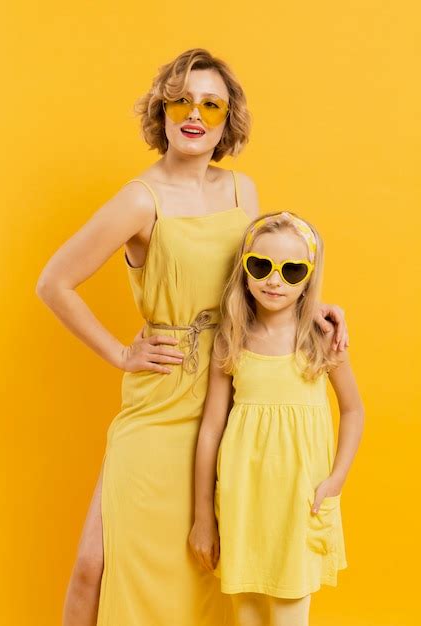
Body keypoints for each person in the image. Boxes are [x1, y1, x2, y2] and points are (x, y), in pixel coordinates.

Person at [36, 49, 349, 626]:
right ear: (162, 110)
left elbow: (266, 272)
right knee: (95, 564)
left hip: (235, 390)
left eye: (211, 103)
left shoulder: (241, 192)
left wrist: (314, 308)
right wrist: (119, 353)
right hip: (164, 401)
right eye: (181, 99)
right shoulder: (139, 199)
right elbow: (54, 282)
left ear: (229, 120)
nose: (194, 114)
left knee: (202, 570)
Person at [189, 211, 364, 626]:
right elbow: (211, 429)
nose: (274, 281)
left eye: (291, 271)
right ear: (245, 268)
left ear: (308, 277)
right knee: (245, 612)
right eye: (261, 266)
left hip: (300, 498)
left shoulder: (321, 339)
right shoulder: (232, 338)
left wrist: (336, 478)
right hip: (242, 498)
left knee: (290, 615)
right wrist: (202, 516)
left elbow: (353, 409)